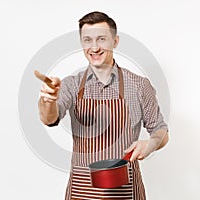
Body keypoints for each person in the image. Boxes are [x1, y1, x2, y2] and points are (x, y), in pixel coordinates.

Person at [38, 11, 169, 200]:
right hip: (81, 191)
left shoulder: (139, 85)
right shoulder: (71, 85)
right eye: (87, 40)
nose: (94, 47)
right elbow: (49, 118)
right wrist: (47, 100)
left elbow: (161, 130)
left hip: (125, 191)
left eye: (101, 39)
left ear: (115, 41)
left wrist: (152, 143)